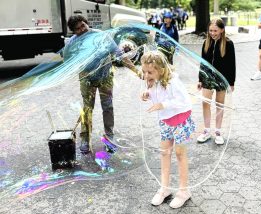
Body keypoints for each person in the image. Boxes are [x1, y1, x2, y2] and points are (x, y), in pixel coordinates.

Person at [63, 15, 139, 153]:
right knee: (87, 109)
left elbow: (119, 54)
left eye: (83, 26)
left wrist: (136, 70)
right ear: (74, 31)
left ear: (87, 23)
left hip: (105, 76)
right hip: (86, 78)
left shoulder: (102, 36)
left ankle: (109, 136)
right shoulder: (72, 43)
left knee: (108, 107)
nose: (82, 29)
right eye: (78, 29)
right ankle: (85, 139)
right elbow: (67, 61)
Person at [140, 51, 195, 209]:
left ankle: (184, 191)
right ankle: (165, 188)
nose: (146, 75)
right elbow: (157, 95)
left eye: (150, 72)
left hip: (181, 121)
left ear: (161, 70)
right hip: (165, 121)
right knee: (164, 152)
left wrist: (163, 105)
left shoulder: (173, 82)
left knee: (179, 153)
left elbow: (183, 101)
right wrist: (147, 94)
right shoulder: (154, 81)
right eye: (144, 71)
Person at [197, 18, 236, 145]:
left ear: (222, 30)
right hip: (207, 77)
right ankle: (207, 131)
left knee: (220, 104)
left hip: (222, 79)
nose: (212, 33)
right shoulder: (206, 43)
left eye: (215, 30)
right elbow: (202, 63)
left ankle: (218, 132)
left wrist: (231, 83)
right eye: (210, 31)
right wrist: (200, 79)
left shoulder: (229, 44)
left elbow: (232, 65)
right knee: (205, 103)